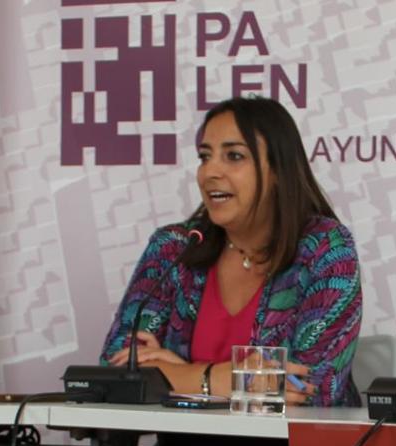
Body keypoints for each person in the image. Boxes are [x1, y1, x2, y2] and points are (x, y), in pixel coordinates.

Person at [101, 96, 363, 407]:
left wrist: (183, 375)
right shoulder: (175, 248)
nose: (210, 172)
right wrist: (224, 379)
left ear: (279, 170)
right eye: (204, 157)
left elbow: (311, 389)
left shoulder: (326, 250)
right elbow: (117, 371)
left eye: (234, 156)